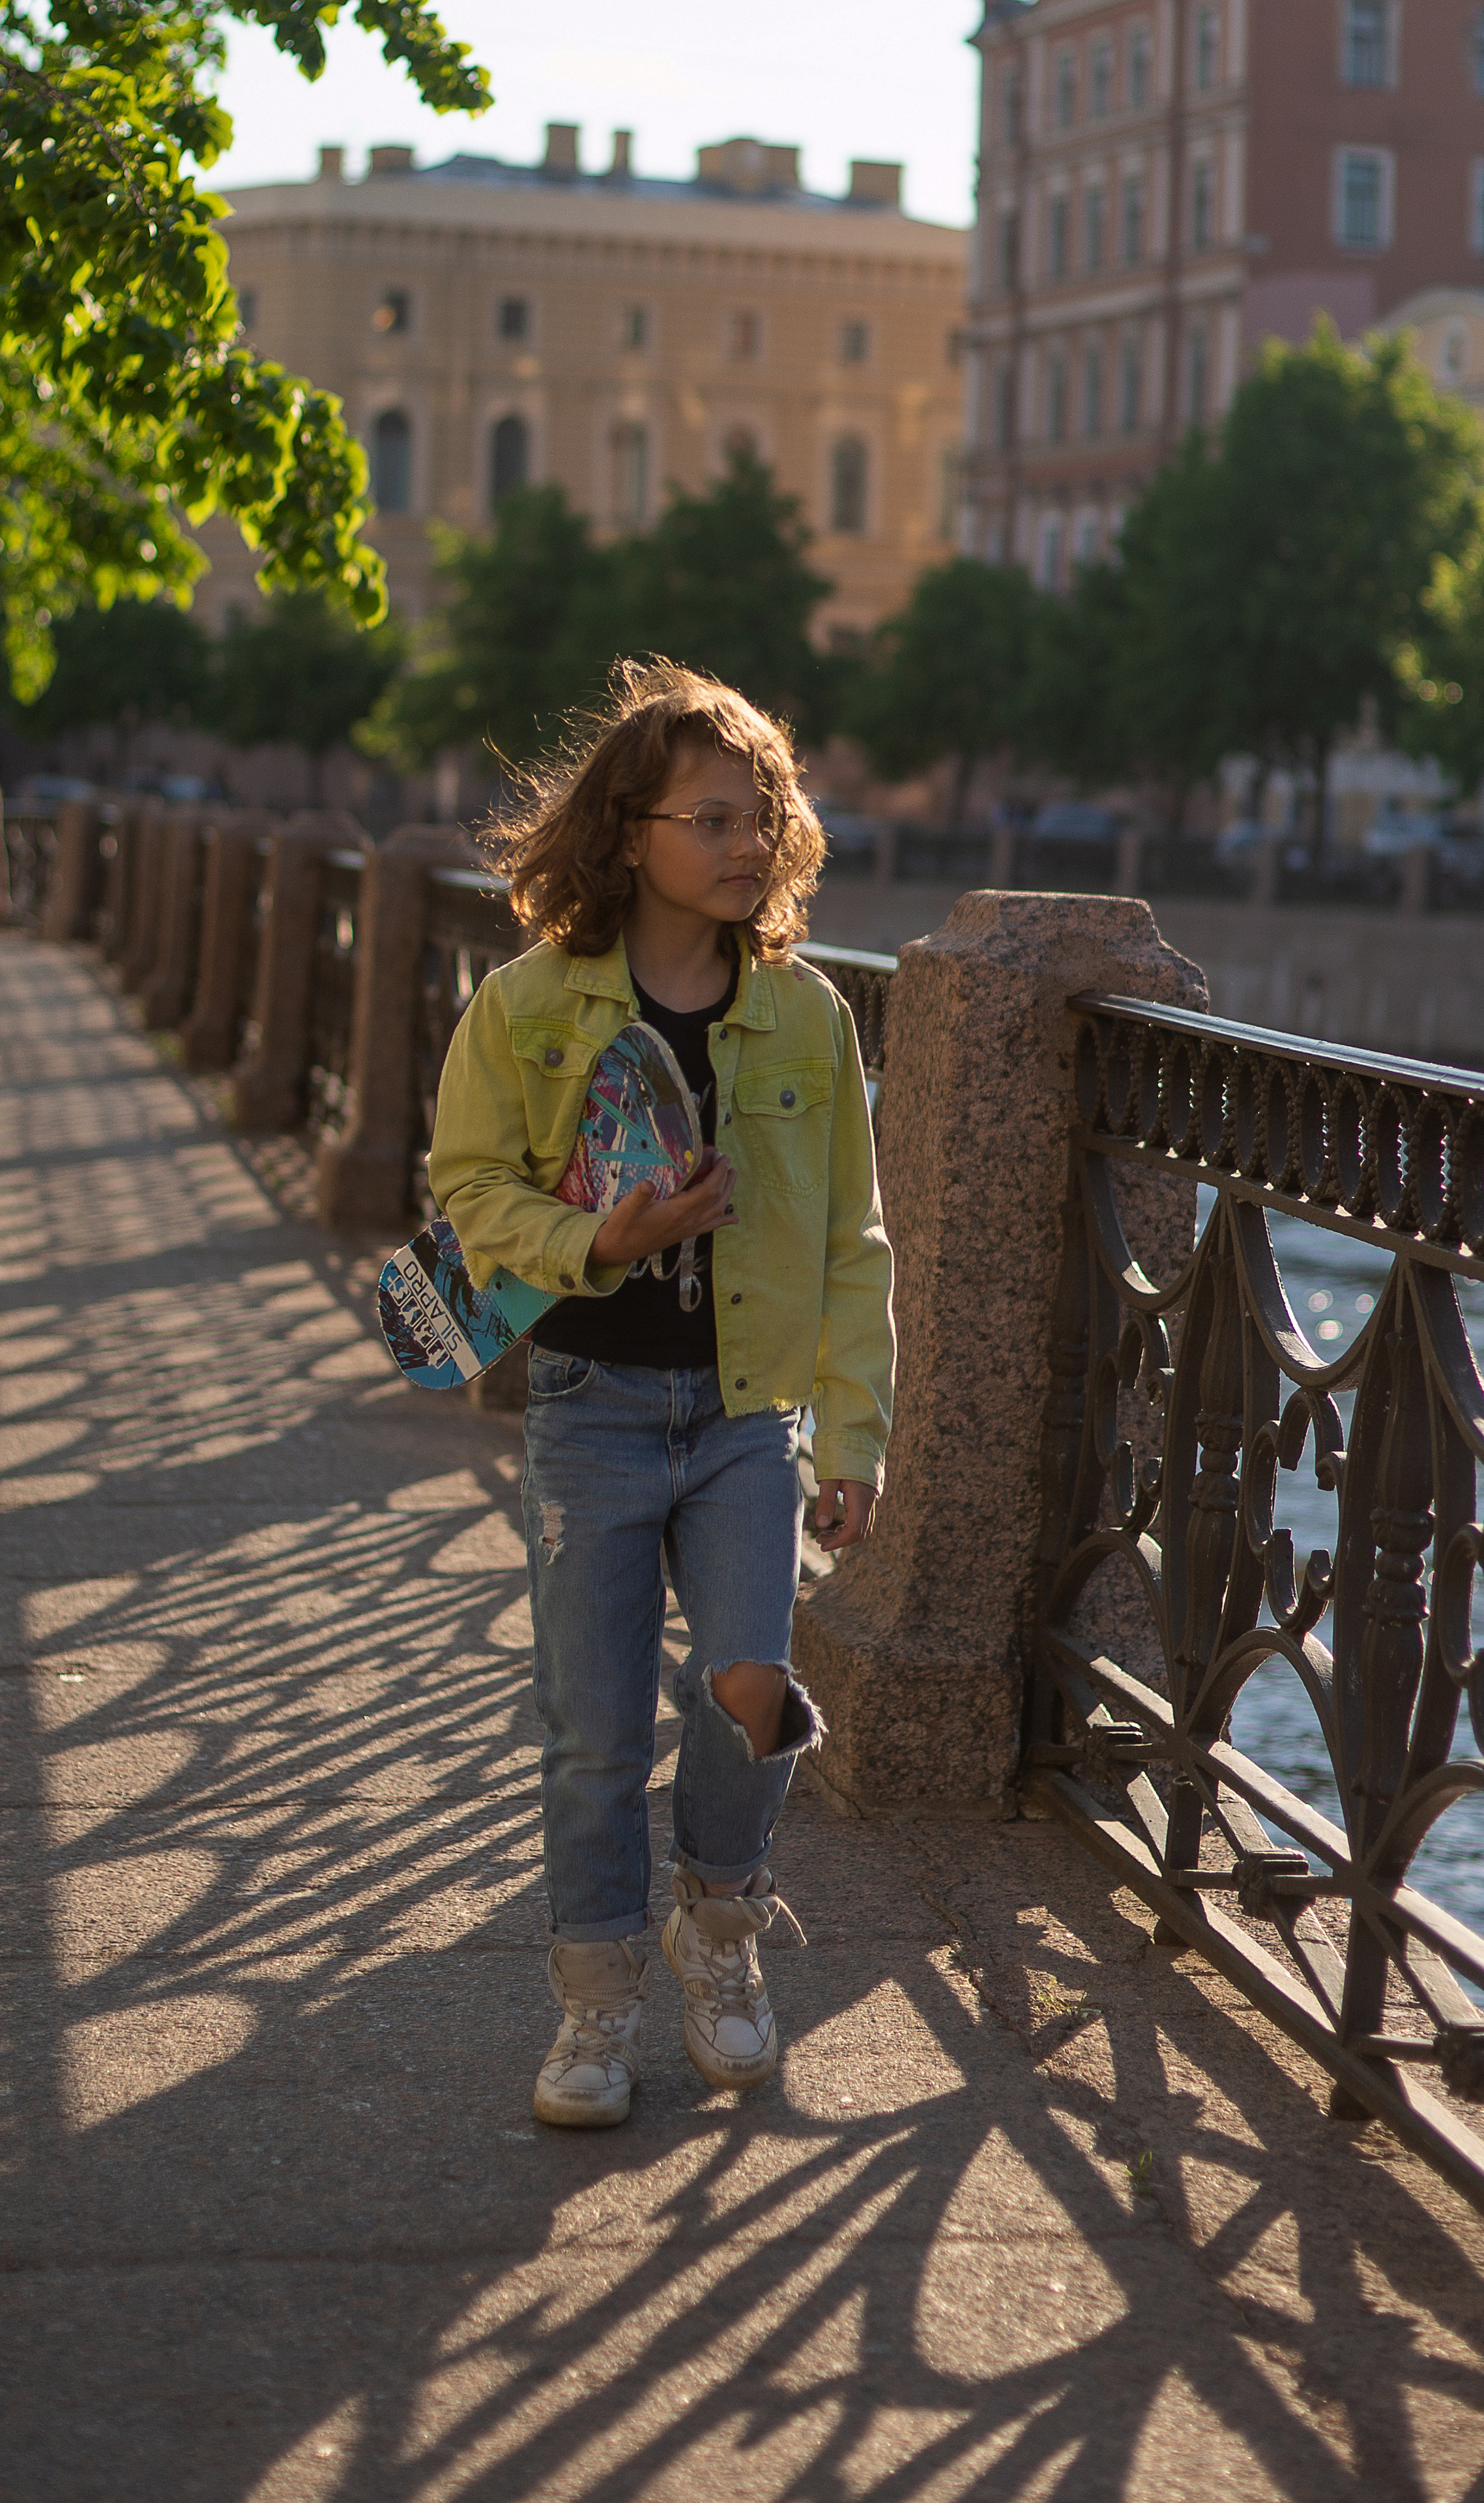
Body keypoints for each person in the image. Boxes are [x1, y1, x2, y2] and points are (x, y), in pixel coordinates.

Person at [428, 659, 895, 2129]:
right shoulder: (526, 1007)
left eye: (763, 816)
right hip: (591, 1408)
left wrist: (854, 1431)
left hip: (748, 1421)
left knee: (750, 1692)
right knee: (594, 1733)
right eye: (712, 819)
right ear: (629, 834)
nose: (749, 842)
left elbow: (853, 1240)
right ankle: (593, 2004)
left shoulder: (807, 1017)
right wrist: (601, 1244)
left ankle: (720, 1922)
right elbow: (467, 1190)